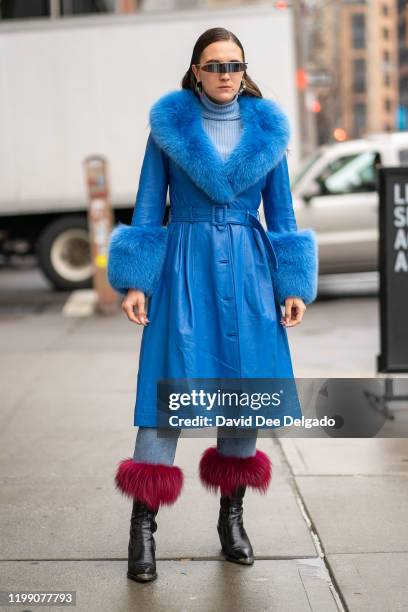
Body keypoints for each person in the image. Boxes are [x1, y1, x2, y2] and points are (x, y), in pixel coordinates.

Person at [107, 27, 318, 583]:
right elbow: (149, 208)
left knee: (243, 394)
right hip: (184, 268)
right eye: (215, 65)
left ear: (244, 71)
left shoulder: (268, 132)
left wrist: (291, 285)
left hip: (249, 271)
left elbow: (284, 216)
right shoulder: (168, 129)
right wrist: (136, 282)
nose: (226, 75)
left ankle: (232, 519)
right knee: (167, 393)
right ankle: (143, 529)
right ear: (195, 71)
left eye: (234, 65)